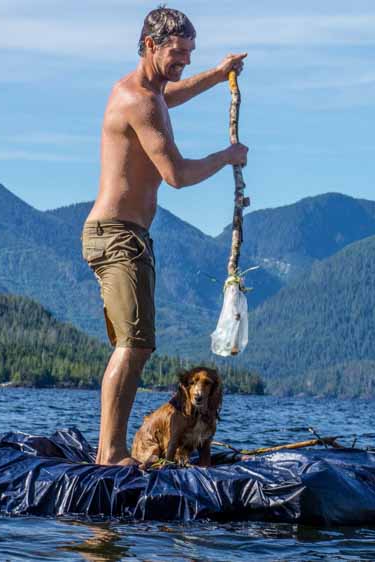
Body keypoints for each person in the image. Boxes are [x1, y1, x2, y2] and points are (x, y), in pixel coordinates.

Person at [81, 6, 248, 465]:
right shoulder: (141, 100)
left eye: (191, 53)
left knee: (135, 344)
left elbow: (173, 94)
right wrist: (227, 156)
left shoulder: (148, 92)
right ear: (151, 46)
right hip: (116, 235)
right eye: (178, 52)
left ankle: (108, 451)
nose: (185, 62)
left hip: (123, 235)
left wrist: (218, 75)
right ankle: (111, 454)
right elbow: (174, 174)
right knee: (134, 345)